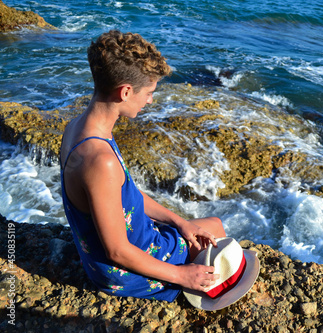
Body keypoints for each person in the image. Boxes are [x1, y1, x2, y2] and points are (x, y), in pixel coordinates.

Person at [59, 30, 226, 302]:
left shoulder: (76, 129)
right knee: (215, 231)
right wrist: (183, 275)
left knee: (203, 227)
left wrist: (180, 222)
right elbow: (117, 252)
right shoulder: (101, 161)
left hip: (110, 251)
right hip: (122, 273)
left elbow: (125, 196)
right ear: (125, 92)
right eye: (149, 92)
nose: (150, 100)